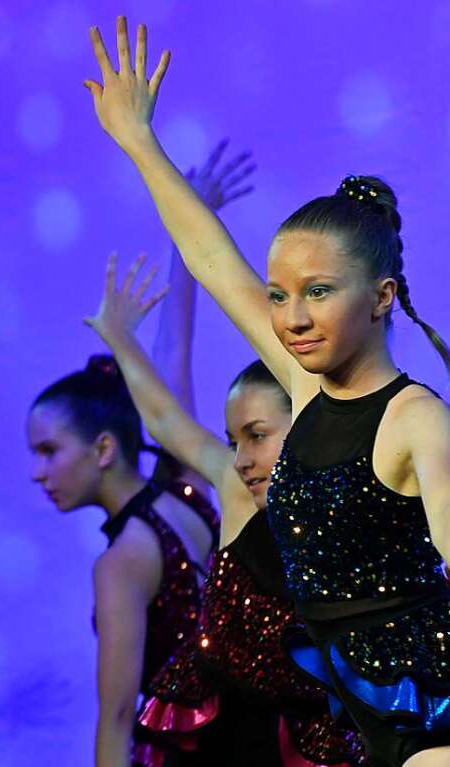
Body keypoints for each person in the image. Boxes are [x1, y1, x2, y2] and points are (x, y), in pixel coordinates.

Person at [84, 15, 450, 766]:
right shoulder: (302, 384)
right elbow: (213, 259)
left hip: (420, 705)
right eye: (279, 295)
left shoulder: (416, 418)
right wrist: (139, 142)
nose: (291, 316)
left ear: (382, 297)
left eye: (317, 291)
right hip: (332, 706)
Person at [86, 254, 365, 765]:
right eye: (232, 441)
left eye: (257, 437)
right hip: (225, 741)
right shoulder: (238, 492)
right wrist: (119, 336)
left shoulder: (357, 513)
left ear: (307, 427)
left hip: (318, 745)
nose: (241, 460)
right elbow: (166, 421)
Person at [26, 146, 254, 765]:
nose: (37, 471)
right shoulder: (189, 486)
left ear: (104, 448)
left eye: (49, 451)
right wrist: (193, 215)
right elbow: (175, 339)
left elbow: (119, 718)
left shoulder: (121, 562)